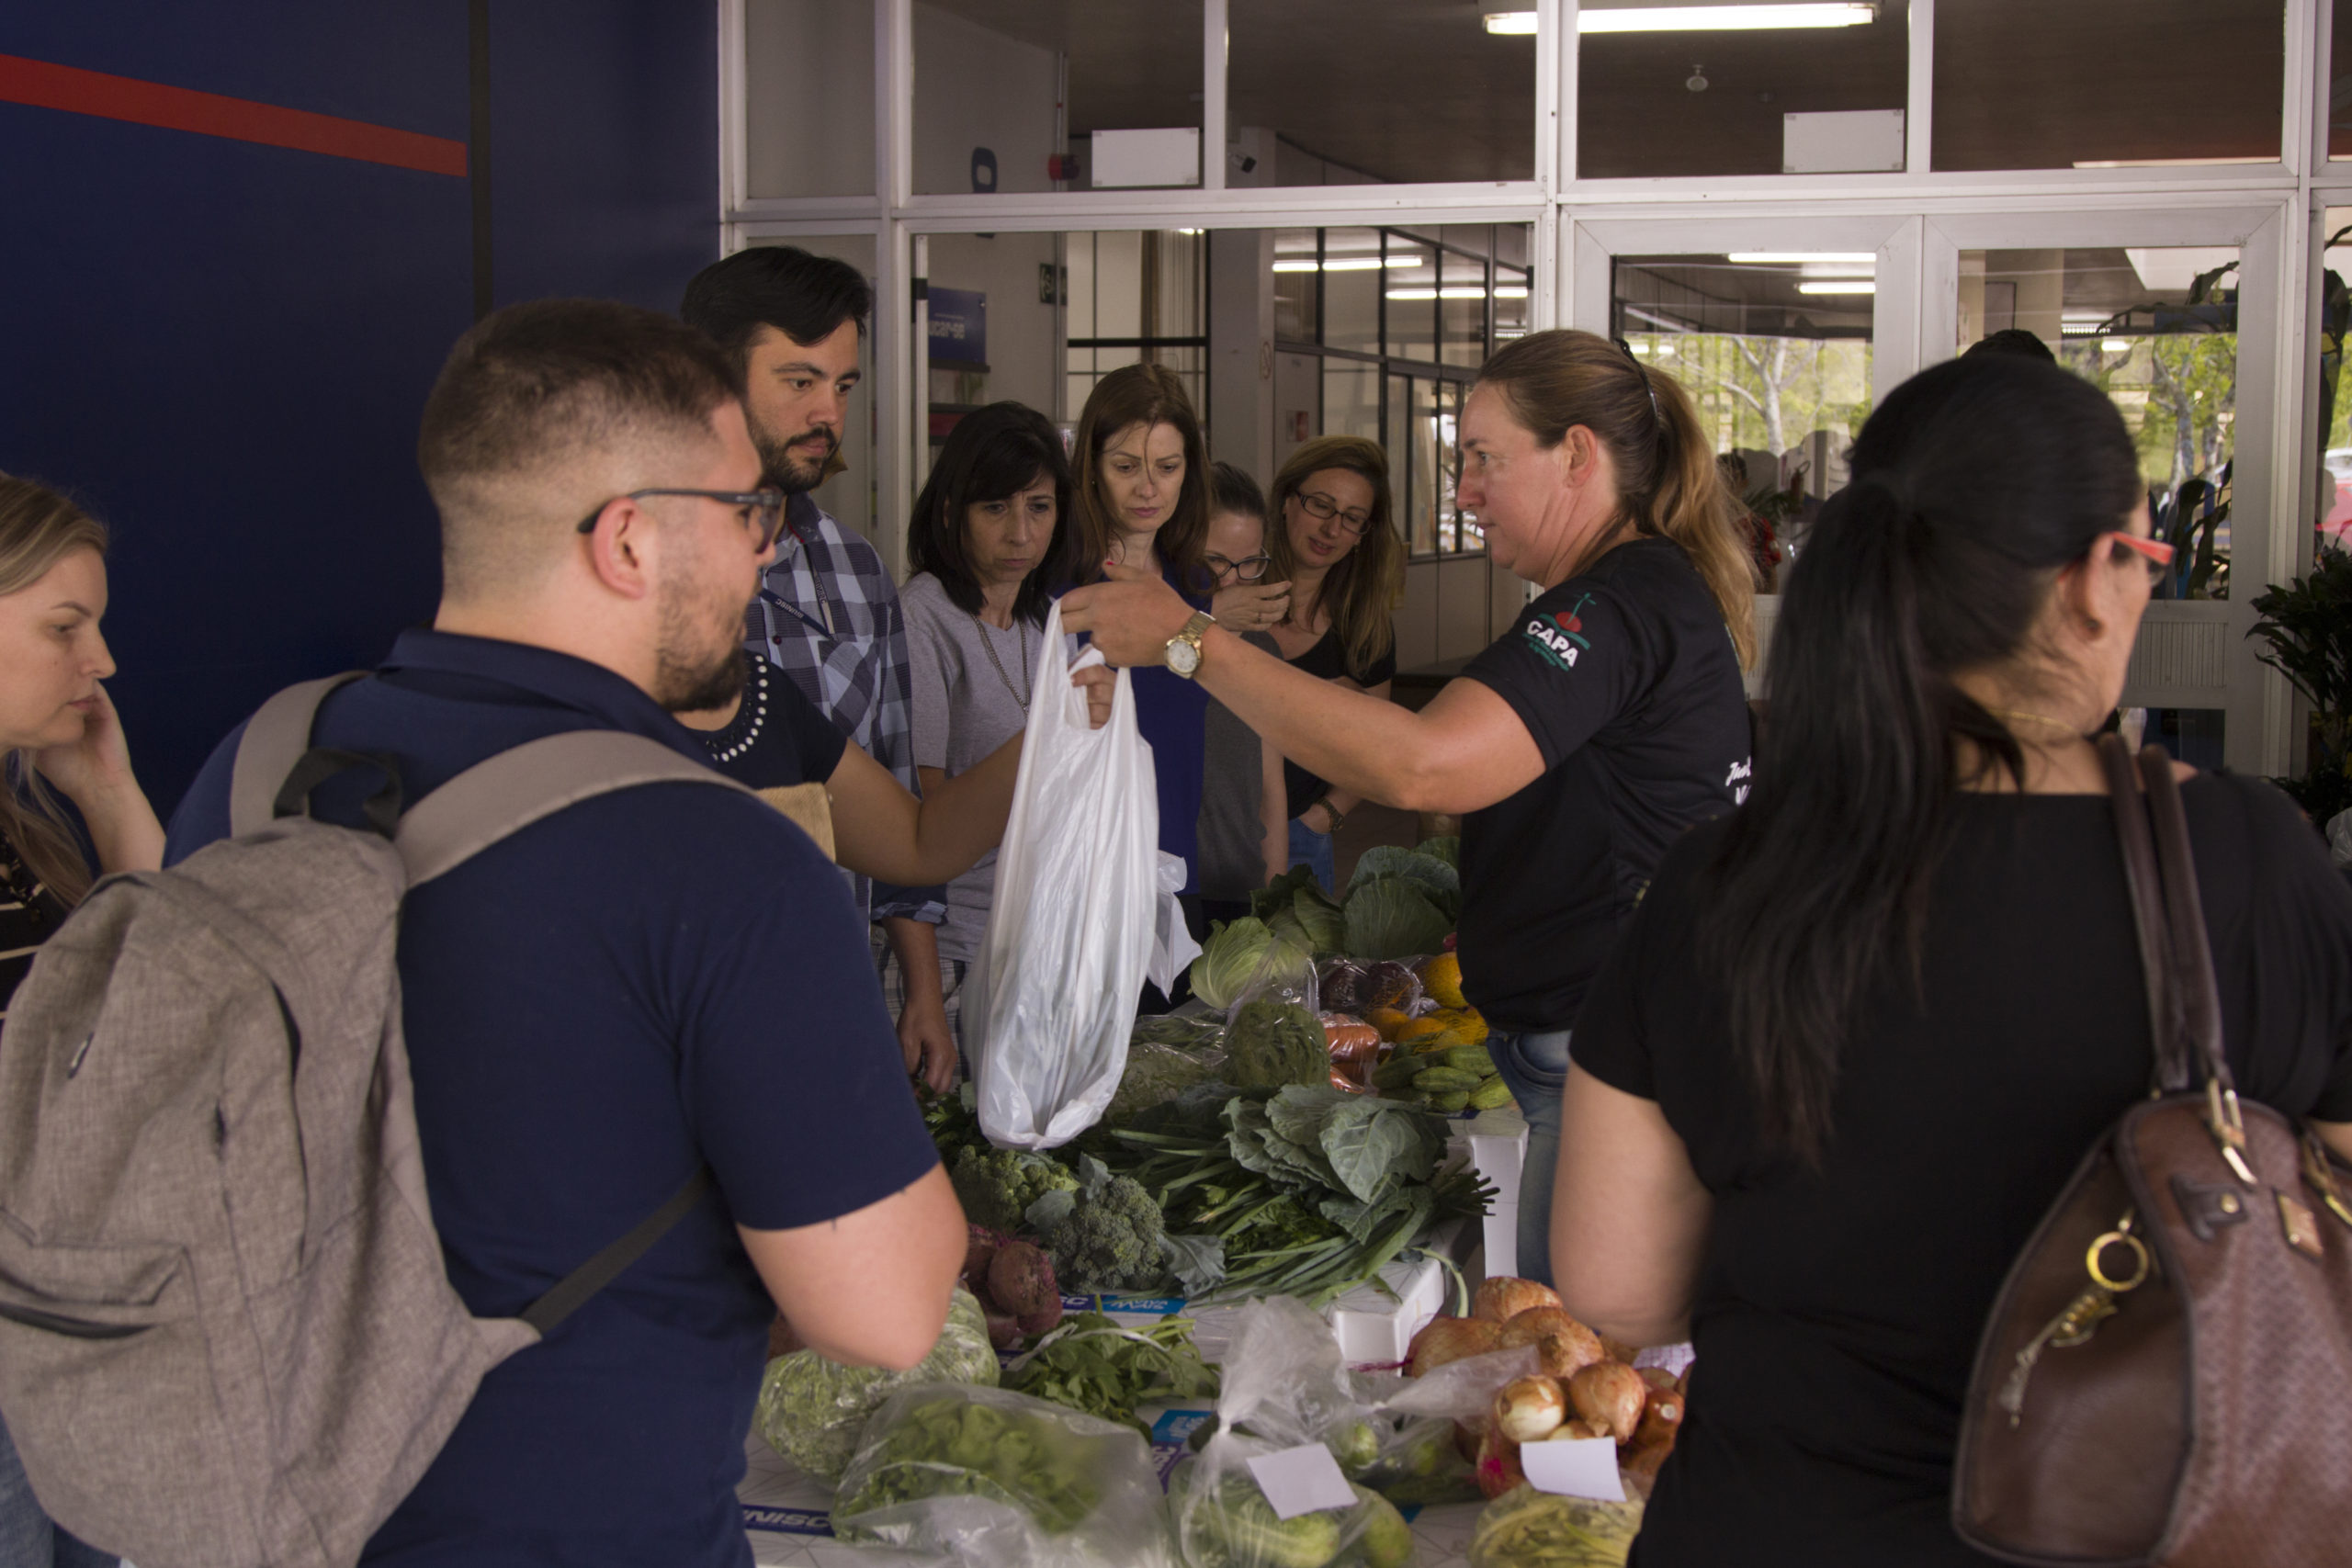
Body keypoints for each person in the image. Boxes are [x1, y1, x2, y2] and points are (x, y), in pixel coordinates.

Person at [165, 300, 965, 1567]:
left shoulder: (256, 764)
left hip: (257, 1518)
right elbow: (887, 1309)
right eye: (747, 512)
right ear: (629, 538)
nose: (765, 554)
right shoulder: (724, 855)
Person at [1552, 355, 2352, 1566]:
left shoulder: (1717, 883)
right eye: (2148, 560)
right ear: (2092, 580)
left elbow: (1620, 1286)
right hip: (2152, 1526)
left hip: (1773, 1528)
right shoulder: (2247, 864)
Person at [1061, 329, 1757, 1282]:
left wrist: (1190, 641)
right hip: (1606, 1045)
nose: (1464, 492)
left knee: (1589, 1338)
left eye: (1483, 459)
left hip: (1612, 1053)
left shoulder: (1610, 610)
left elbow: (1424, 766)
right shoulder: (1627, 595)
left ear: (1576, 455)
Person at [679, 246, 954, 1102]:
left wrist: (921, 991)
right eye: (799, 381)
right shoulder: (639, 566)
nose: (827, 413)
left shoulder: (855, 569)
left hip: (832, 998)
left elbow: (899, 794)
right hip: (681, 1012)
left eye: (843, 385)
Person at [0, 474, 160, 1568]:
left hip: (59, 1340)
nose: (99, 662)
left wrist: (110, 802)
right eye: (65, 627)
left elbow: (173, 1015)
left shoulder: (21, 844)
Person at [888, 402, 1084, 1062]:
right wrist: (923, 990)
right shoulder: (923, 619)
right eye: (995, 507)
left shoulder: (1046, 623)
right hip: (952, 955)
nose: (1021, 532)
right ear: (952, 512)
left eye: (1039, 506)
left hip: (1037, 947)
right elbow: (909, 824)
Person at [1066, 363, 1220, 922]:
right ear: (1091, 468)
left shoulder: (1195, 583)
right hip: (1081, 875)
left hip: (1175, 863)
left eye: (1168, 467)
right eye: (1125, 466)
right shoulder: (1060, 585)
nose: (1148, 488)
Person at [1261, 436, 1406, 893]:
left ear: (1364, 534)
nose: (1331, 529)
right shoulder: (1231, 589)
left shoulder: (1363, 625)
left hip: (1301, 835)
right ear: (1287, 500)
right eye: (1321, 505)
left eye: (1352, 518)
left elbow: (1375, 747)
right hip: (1211, 829)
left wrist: (1324, 817)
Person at [1196, 462, 1291, 920]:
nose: (1233, 580)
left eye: (1251, 563)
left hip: (1242, 890)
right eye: (1215, 561)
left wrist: (1275, 899)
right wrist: (1204, 618)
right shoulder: (1154, 643)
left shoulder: (1262, 647)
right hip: (1167, 888)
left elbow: (1272, 789)